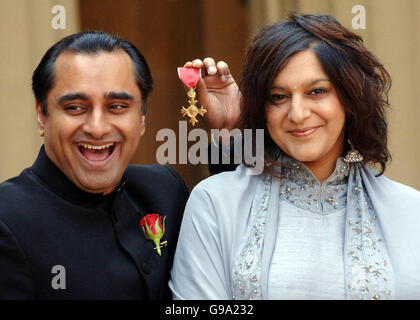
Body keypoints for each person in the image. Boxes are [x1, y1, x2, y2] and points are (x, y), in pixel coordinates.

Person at [169, 14, 420, 300]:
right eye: (279, 97)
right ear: (262, 106)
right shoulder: (215, 203)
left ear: (350, 98)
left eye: (317, 91)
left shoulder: (412, 212)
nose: (298, 114)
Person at [0, 31, 236, 299]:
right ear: (42, 115)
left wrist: (229, 131)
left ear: (142, 118)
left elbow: (240, 241)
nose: (97, 128)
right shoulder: (7, 218)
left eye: (117, 106)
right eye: (76, 107)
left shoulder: (162, 190)